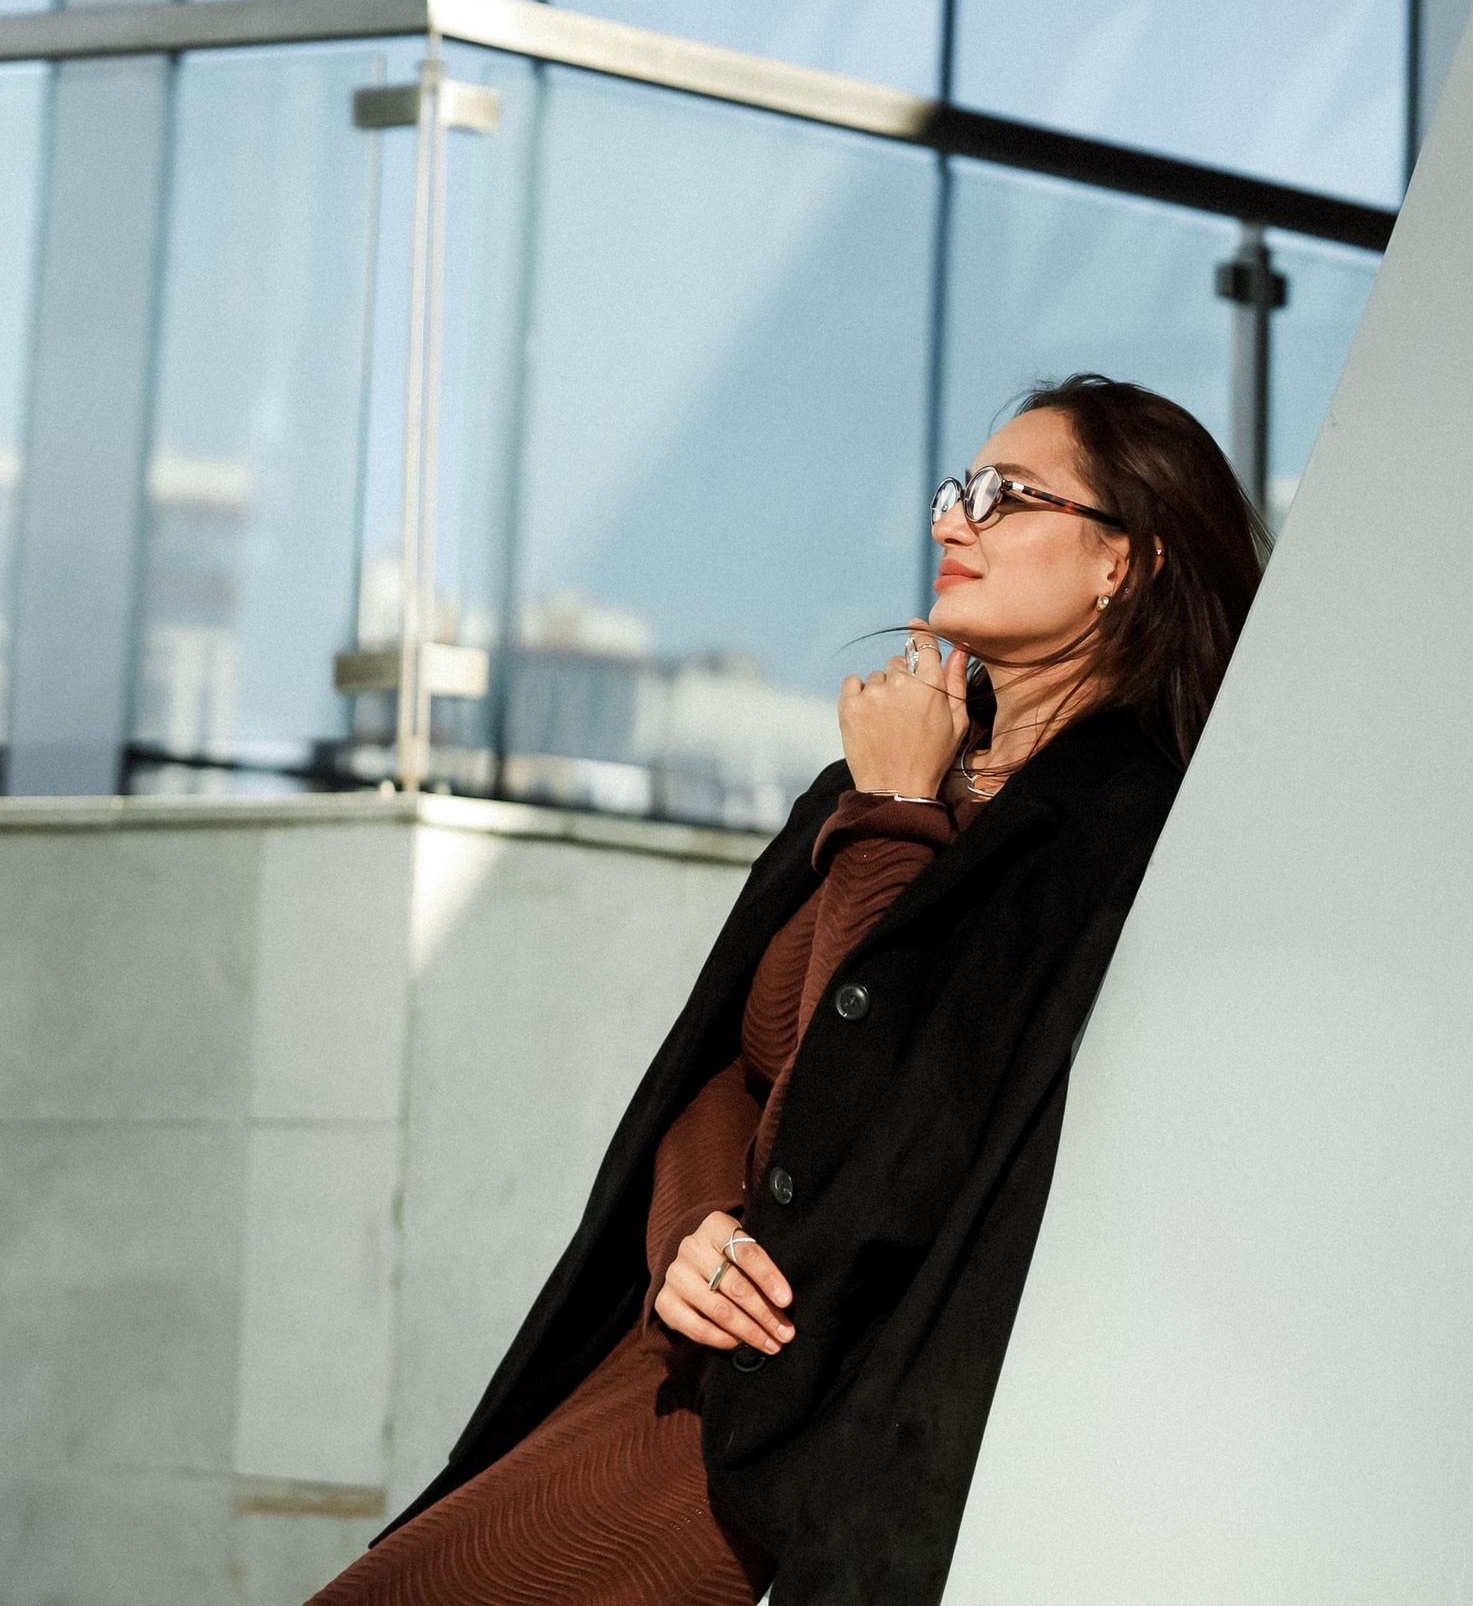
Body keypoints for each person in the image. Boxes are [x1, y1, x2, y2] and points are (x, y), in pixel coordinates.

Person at [311, 373, 1266, 1606]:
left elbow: (887, 1134)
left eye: (1006, 495)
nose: (951, 517)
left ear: (1122, 562)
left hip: (813, 1417)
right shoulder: (875, 779)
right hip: (673, 1362)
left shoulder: (1121, 831)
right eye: (956, 488)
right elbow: (731, 1064)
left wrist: (897, 815)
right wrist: (689, 1226)